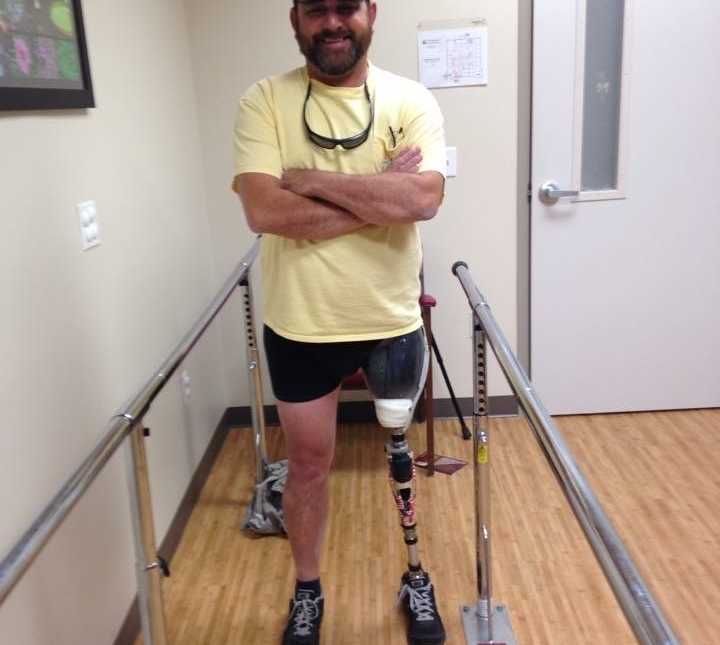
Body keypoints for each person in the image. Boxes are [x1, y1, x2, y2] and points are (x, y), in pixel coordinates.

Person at [232, 1, 447, 643]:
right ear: (294, 18)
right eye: (316, 9)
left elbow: (424, 197)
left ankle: (416, 574)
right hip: (301, 326)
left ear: (370, 13)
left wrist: (306, 181)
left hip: (390, 321)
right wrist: (378, 193)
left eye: (345, 6)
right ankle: (307, 588)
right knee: (307, 466)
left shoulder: (410, 100)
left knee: (402, 458)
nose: (332, 22)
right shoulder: (264, 101)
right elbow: (265, 212)